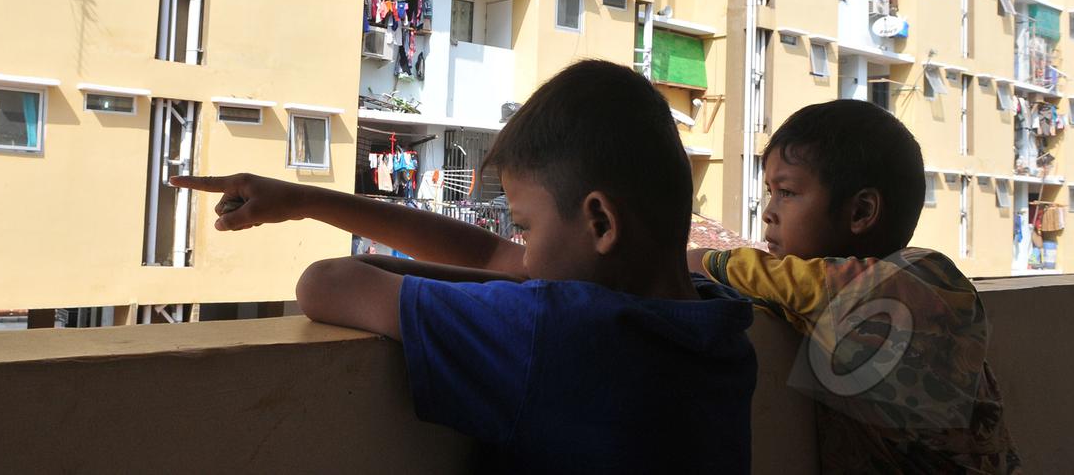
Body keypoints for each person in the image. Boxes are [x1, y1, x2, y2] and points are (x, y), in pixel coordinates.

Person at [173, 60, 757, 473]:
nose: (521, 252)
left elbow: (326, 284)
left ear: (600, 223)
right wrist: (306, 200)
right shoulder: (720, 327)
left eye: (525, 226)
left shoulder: (556, 332)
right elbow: (490, 257)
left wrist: (507, 288)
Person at [689, 99, 1020, 474]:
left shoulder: (922, 281)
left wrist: (704, 261)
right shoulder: (843, 308)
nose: (768, 210)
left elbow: (794, 283)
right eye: (770, 191)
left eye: (787, 192)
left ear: (861, 212)